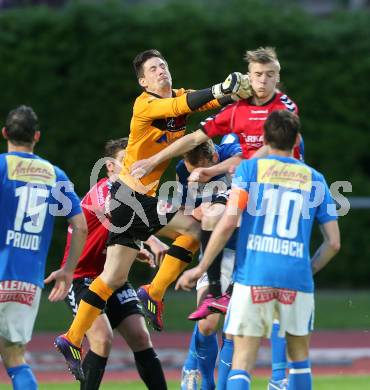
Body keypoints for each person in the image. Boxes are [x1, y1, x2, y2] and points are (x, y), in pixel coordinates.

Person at [54, 48, 252, 380]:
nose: (161, 71)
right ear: (143, 80)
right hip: (130, 198)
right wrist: (221, 88)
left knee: (114, 278)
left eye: (163, 65)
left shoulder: (180, 94)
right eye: (153, 69)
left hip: (127, 202)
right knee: (196, 226)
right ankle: (163, 292)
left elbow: (205, 105)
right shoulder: (145, 103)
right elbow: (179, 107)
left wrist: (237, 94)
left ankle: (71, 338)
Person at [131, 47, 302, 389]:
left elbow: (252, 157)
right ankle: (196, 359)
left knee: (264, 313)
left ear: (277, 77)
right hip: (236, 225)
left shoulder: (284, 111)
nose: (263, 81)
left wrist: (212, 172)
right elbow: (195, 136)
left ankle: (282, 377)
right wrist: (152, 162)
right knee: (213, 323)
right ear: (249, 77)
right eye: (256, 74)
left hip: (273, 213)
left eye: (269, 75)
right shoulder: (232, 117)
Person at [176, 110, 340, 390]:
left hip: (253, 273)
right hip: (296, 278)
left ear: (263, 139)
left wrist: (202, 268)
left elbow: (227, 222)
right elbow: (334, 243)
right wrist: (308, 270)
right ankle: (278, 381)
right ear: (297, 139)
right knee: (299, 362)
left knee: (242, 359)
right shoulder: (316, 178)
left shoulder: (250, 170)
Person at [61, 138, 168, 389]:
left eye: (131, 161)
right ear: (109, 166)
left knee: (141, 337)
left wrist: (134, 247)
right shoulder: (104, 189)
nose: (129, 167)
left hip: (110, 276)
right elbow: (117, 214)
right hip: (80, 278)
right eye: (123, 162)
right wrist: (151, 240)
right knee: (102, 340)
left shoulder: (125, 194)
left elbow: (116, 227)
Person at [0, 106, 87, 390]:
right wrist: (68, 270)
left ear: (4, 134)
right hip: (27, 281)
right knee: (14, 357)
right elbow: (81, 225)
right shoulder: (54, 174)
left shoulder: (1, 166)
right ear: (36, 136)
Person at [176, 136, 240, 390]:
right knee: (207, 322)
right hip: (218, 251)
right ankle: (201, 375)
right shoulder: (185, 169)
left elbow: (241, 158)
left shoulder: (233, 149)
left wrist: (209, 173)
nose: (197, 178)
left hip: (248, 248)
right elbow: (191, 211)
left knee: (234, 328)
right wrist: (196, 211)